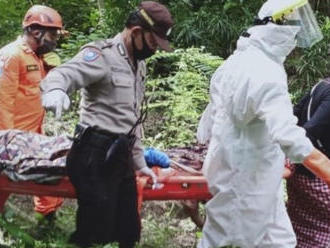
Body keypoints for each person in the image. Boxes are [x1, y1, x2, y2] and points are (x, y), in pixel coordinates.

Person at [196, 0, 330, 247]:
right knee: (225, 241)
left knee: (281, 242)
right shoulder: (264, 73)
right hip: (245, 187)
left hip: (255, 179)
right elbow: (291, 137)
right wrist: (325, 168)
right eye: (295, 27)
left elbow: (209, 122)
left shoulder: (238, 62)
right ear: (279, 28)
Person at [40, 1, 174, 247]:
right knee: (94, 232)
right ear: (136, 32)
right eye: (154, 42)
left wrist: (139, 162)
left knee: (128, 231)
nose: (155, 49)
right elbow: (65, 73)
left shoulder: (138, 63)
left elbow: (130, 119)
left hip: (120, 154)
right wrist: (56, 90)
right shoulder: (102, 55)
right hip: (94, 154)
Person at [0, 5, 64, 225]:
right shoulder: (11, 55)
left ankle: (46, 222)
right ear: (37, 32)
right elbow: (3, 101)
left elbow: (36, 90)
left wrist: (51, 72)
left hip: (35, 133)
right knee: (3, 184)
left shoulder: (37, 57)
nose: (56, 40)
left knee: (48, 179)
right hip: (14, 138)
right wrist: (8, 140)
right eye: (53, 34)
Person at [286, 77, 330, 247]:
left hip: (302, 174)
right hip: (317, 177)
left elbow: (294, 116)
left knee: (303, 231)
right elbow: (307, 133)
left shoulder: (321, 85)